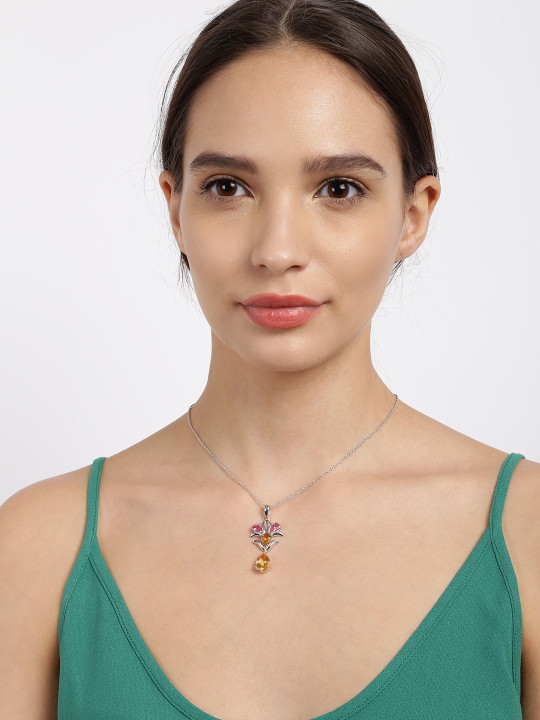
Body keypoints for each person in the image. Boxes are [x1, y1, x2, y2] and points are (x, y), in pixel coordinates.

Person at [1, 0, 539, 717]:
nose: (278, 250)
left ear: (414, 214)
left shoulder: (527, 536)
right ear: (175, 209)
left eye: (339, 189)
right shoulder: (39, 547)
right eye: (228, 188)